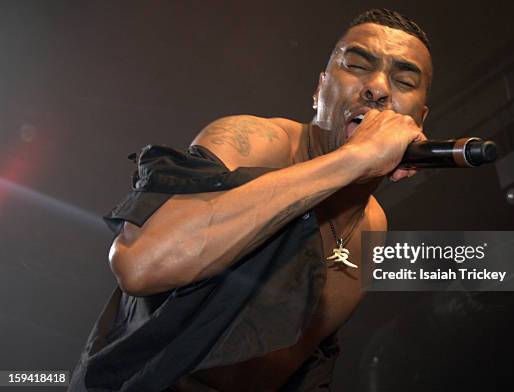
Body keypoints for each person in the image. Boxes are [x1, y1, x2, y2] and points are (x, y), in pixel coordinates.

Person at [68, 8, 433, 392]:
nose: (377, 88)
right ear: (319, 89)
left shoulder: (373, 226)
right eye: (357, 66)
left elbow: (293, 362)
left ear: (418, 121)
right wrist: (353, 160)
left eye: (404, 79)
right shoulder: (252, 142)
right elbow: (141, 264)